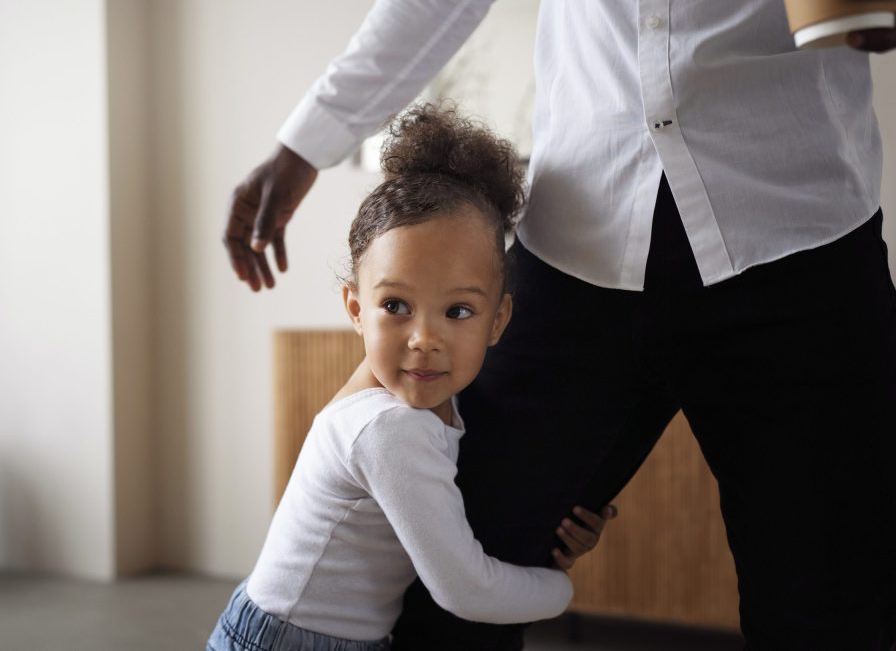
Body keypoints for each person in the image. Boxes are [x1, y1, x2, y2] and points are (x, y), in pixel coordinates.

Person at [222, 0, 896, 649]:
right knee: (451, 585)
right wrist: (305, 145)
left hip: (802, 246)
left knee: (832, 615)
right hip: (575, 250)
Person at [208, 105, 617, 651]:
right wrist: (559, 588)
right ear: (356, 309)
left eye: (459, 312)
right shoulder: (390, 427)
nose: (424, 338)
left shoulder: (417, 402)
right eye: (396, 304)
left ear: (499, 321)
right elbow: (465, 590)